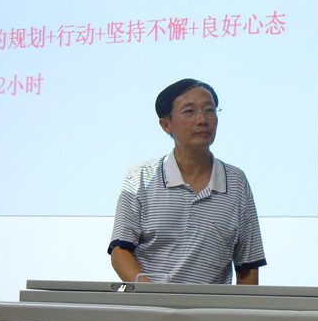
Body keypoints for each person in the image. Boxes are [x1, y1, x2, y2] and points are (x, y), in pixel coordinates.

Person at [108, 78, 266, 284]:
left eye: (209, 110)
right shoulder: (141, 177)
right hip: (151, 301)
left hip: (210, 304)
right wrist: (153, 295)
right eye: (190, 111)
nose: (202, 120)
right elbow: (120, 252)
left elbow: (248, 265)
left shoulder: (236, 181)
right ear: (166, 124)